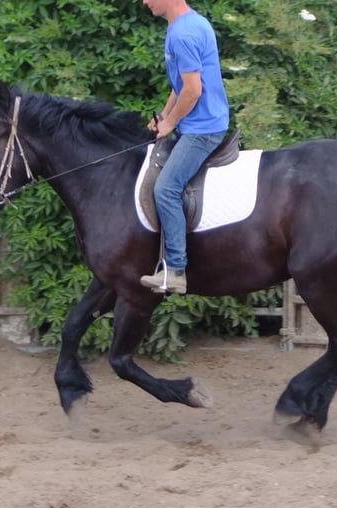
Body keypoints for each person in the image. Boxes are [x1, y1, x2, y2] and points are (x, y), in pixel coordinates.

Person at [140, 0, 230, 294]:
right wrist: (165, 117)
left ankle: (176, 271)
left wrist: (171, 125)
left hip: (203, 129)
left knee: (165, 188)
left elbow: (193, 90)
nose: (144, 1)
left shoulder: (183, 34)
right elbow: (180, 84)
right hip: (199, 122)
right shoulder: (189, 24)